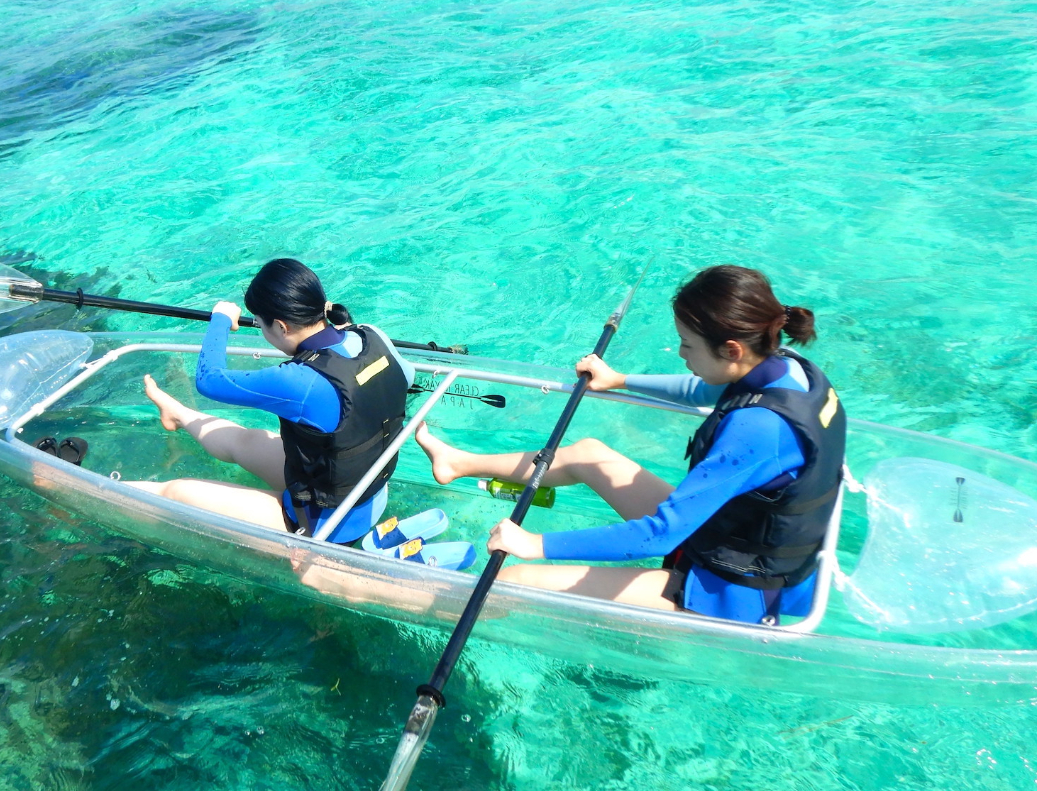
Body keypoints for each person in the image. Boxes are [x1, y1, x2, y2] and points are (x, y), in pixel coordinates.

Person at [415, 265, 845, 625]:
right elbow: (702, 389)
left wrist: (534, 544)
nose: (681, 354)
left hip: (733, 588)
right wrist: (619, 380)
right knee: (590, 454)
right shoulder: (787, 368)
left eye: (687, 345)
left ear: (732, 349)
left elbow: (660, 536)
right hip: (723, 536)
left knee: (512, 582)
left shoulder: (759, 431)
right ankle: (457, 463)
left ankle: (407, 601)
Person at [127, 259, 413, 543]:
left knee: (176, 492)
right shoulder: (372, 335)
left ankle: (101, 489)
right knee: (247, 440)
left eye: (261, 325)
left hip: (326, 523)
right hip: (369, 492)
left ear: (280, 326)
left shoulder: (298, 381)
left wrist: (221, 319)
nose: (263, 334)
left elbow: (209, 380)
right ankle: (177, 414)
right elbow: (403, 378)